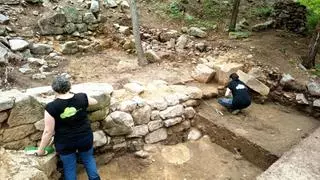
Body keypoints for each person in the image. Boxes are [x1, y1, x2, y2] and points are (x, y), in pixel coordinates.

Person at [36, 75, 101, 180]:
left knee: (69, 167)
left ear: (54, 89)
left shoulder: (51, 107)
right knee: (89, 159)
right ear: (70, 87)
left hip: (65, 142)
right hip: (85, 138)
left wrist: (41, 150)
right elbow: (95, 101)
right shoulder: (81, 97)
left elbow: (48, 131)